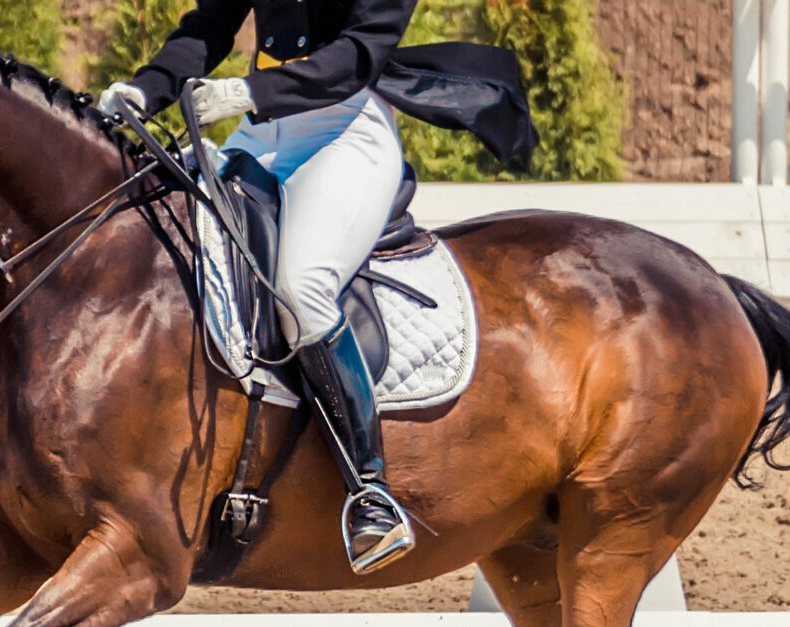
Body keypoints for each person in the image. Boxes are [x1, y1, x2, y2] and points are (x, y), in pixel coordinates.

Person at [95, 0, 526, 575]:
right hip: (261, 132)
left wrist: (251, 91)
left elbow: (360, 51)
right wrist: (146, 90)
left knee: (301, 287)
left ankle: (369, 491)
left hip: (345, 127)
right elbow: (209, 25)